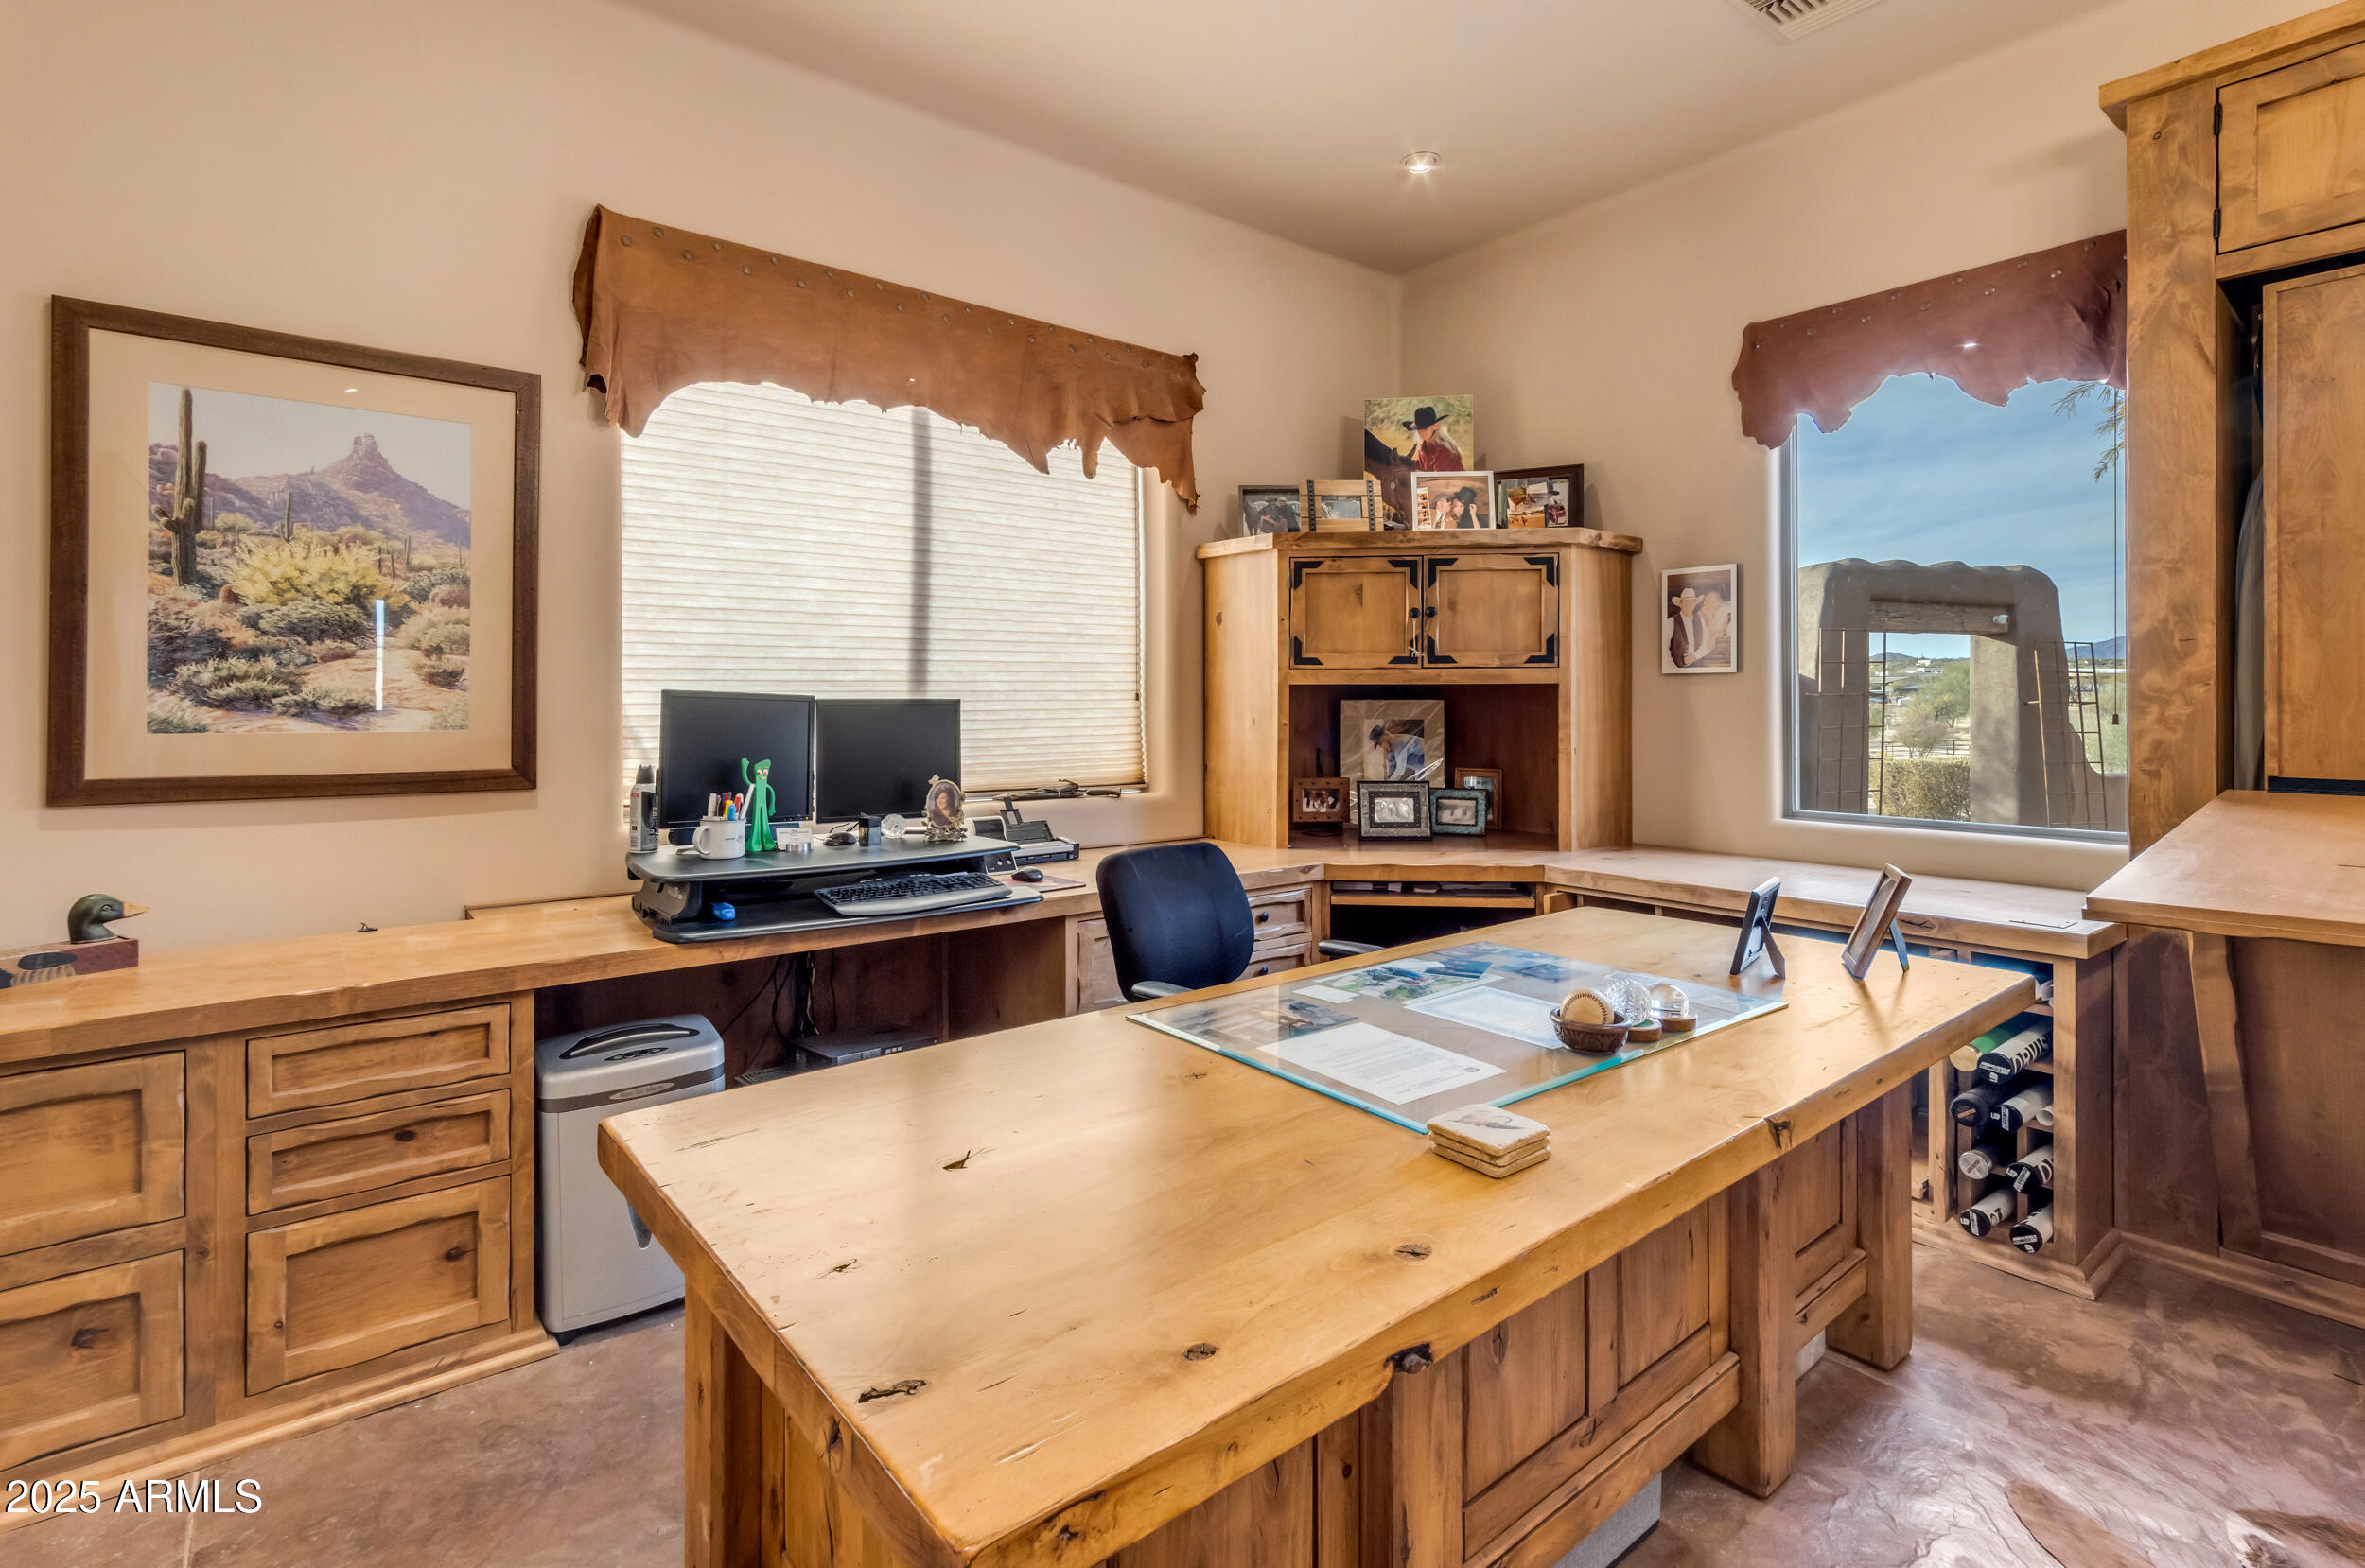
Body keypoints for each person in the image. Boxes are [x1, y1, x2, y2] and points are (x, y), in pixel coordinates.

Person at [1403, 406, 1465, 471]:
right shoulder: (1424, 446)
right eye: (1419, 428)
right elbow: (1424, 465)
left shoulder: (1443, 449)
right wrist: (1407, 462)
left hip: (1453, 480)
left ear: (1436, 426)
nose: (1421, 432)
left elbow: (1438, 476)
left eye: (1425, 428)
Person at [1667, 584, 1707, 669]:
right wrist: (1674, 668)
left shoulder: (1700, 619)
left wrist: (1695, 656)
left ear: (1695, 604)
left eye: (1692, 601)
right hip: (1677, 667)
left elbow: (1706, 642)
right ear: (1680, 604)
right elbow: (1663, 648)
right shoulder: (1671, 621)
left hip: (1697, 665)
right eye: (1686, 602)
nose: (1689, 604)